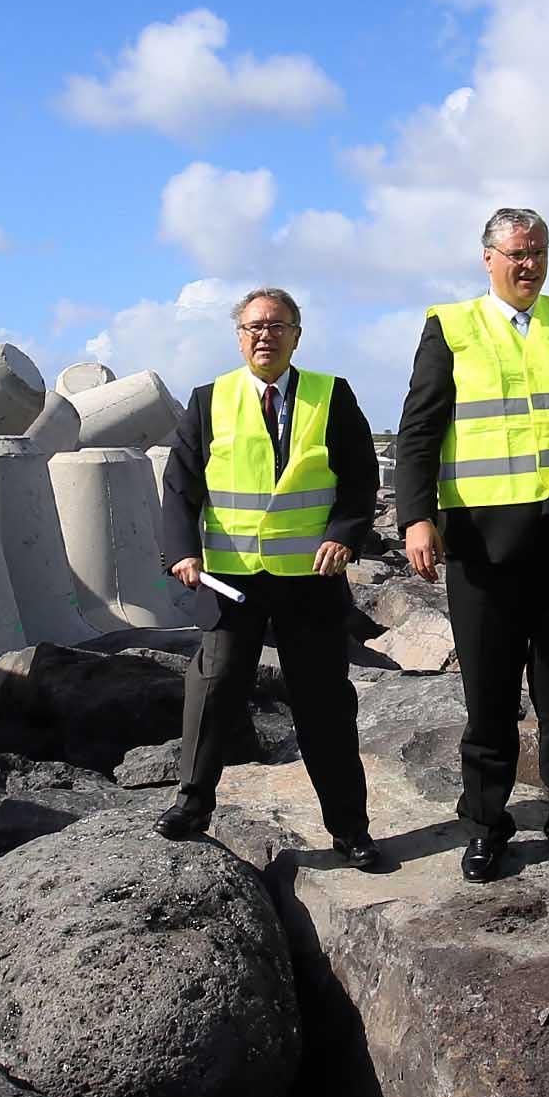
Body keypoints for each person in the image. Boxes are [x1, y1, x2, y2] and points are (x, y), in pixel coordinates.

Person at [395, 208, 549, 889]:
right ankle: (484, 827)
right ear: (488, 259)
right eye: (515, 254)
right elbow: (418, 432)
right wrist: (416, 518)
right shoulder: (450, 326)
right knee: (489, 700)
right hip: (480, 545)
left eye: (537, 252)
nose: (527, 265)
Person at [156, 286, 383, 868]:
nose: (265, 335)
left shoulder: (332, 396)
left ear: (296, 335)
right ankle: (191, 803)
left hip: (309, 576)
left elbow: (360, 479)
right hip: (232, 577)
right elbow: (181, 485)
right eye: (255, 326)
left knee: (325, 704)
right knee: (214, 687)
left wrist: (344, 534)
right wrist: (181, 551)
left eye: (278, 326)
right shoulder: (209, 399)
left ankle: (350, 829)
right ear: (239, 336)